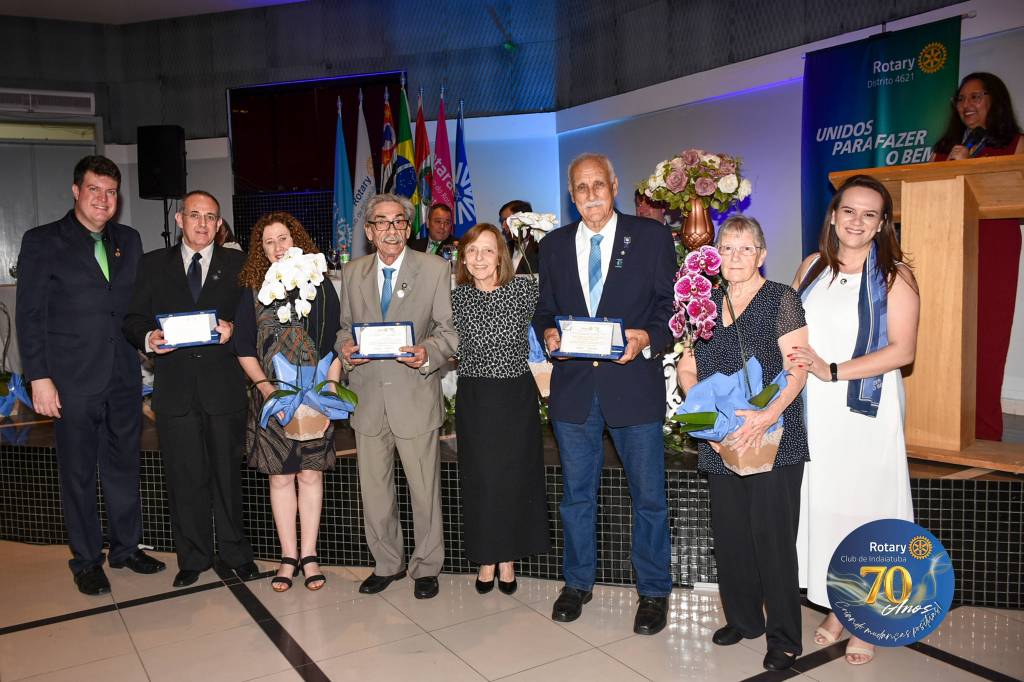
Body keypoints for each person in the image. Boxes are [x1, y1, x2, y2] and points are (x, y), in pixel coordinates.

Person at [533, 153, 675, 635]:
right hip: (574, 389)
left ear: (614, 185)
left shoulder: (651, 237)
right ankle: (577, 583)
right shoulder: (553, 246)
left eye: (598, 184)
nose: (591, 194)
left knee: (648, 497)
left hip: (633, 385)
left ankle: (653, 590)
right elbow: (545, 309)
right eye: (581, 187)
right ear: (571, 195)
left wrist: (645, 338)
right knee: (576, 496)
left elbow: (668, 308)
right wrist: (549, 333)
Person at [16, 155, 165, 594]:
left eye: (111, 192)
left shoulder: (129, 240)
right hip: (70, 381)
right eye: (94, 189)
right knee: (78, 473)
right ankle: (85, 560)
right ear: (76, 191)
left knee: (124, 467)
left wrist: (152, 336)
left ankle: (126, 548)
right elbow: (29, 315)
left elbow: (135, 307)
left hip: (123, 377)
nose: (103, 199)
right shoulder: (43, 241)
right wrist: (39, 377)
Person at [791, 175, 919, 666]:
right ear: (833, 215)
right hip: (815, 409)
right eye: (849, 210)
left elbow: (902, 351)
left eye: (870, 214)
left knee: (867, 507)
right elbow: (788, 329)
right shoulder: (811, 267)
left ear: (883, 224)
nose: (857, 221)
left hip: (866, 409)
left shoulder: (895, 275)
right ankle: (838, 606)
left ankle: (867, 616)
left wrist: (833, 370)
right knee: (826, 506)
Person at [676, 215, 810, 671]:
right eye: (727, 248)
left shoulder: (781, 299)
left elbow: (797, 367)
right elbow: (687, 367)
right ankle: (744, 619)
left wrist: (765, 416)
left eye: (745, 248)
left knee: (772, 539)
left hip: (773, 437)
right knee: (731, 536)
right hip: (721, 439)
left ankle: (785, 637)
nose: (735, 257)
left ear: (762, 254)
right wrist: (707, 418)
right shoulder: (702, 303)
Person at [123, 190, 258, 587]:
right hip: (175, 391)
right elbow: (133, 318)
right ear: (179, 219)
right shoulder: (152, 264)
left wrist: (234, 329)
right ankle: (193, 557)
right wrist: (149, 338)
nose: (202, 223)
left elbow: (256, 319)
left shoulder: (239, 264)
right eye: (195, 215)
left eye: (210, 217)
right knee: (184, 478)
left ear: (219, 224)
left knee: (228, 479)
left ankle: (236, 553)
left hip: (223, 388)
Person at [336, 193, 458, 599]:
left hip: (414, 395)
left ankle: (426, 567)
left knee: (424, 491)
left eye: (399, 222)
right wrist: (345, 349)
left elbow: (449, 332)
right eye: (382, 222)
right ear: (369, 231)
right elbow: (344, 328)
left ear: (408, 227)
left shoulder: (434, 269)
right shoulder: (352, 272)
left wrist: (428, 353)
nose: (391, 229)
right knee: (374, 492)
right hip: (368, 398)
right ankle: (387, 563)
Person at [235, 212, 341, 592]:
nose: (278, 247)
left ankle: (310, 555)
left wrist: (329, 391)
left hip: (315, 396)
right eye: (269, 242)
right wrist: (269, 392)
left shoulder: (320, 285)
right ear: (260, 251)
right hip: (272, 399)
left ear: (296, 240)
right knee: (280, 478)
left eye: (283, 238)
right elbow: (243, 348)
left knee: (310, 474)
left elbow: (336, 343)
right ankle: (288, 556)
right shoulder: (252, 290)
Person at [451, 223, 551, 594]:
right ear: (463, 258)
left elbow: (551, 323)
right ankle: (486, 557)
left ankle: (507, 558)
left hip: (515, 397)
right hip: (475, 398)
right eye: (472, 251)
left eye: (488, 250)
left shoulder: (525, 290)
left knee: (514, 477)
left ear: (500, 257)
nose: (479, 258)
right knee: (481, 479)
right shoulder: (455, 299)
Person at [933, 72, 1022, 441]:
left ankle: (984, 434)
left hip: (994, 246)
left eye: (976, 97)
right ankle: (938, 430)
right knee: (941, 339)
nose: (966, 105)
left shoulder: (1015, 143)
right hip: (945, 245)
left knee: (987, 340)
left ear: (993, 100)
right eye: (961, 99)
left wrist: (971, 167)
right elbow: (931, 196)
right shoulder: (945, 148)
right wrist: (951, 166)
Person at [499, 199, 540, 275]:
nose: (503, 226)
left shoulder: (541, 246)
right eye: (502, 221)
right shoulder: (506, 248)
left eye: (506, 220)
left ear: (522, 219)